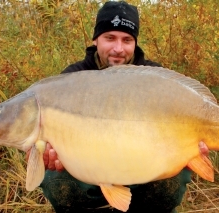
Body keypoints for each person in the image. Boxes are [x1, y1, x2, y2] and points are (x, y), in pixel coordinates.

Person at [35, 1, 209, 213]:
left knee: (177, 171)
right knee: (55, 176)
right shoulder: (71, 79)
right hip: (89, 169)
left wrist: (193, 147)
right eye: (110, 38)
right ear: (96, 39)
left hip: (146, 162)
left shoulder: (154, 77)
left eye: (127, 40)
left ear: (135, 43)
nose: (118, 48)